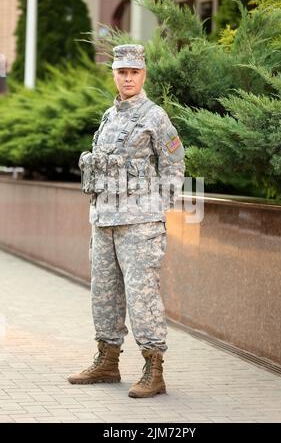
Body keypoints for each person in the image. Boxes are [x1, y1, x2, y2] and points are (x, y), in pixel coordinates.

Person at [68, 44, 185, 398]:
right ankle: (107, 361)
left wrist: (154, 209)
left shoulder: (155, 116)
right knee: (104, 295)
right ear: (114, 75)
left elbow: (175, 166)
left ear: (143, 74)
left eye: (134, 72)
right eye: (122, 72)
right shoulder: (109, 116)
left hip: (140, 226)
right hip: (104, 221)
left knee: (142, 295)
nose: (128, 78)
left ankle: (154, 368)